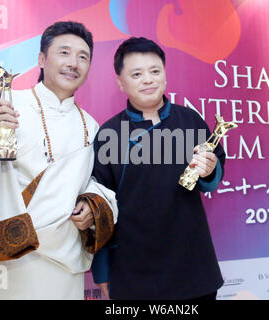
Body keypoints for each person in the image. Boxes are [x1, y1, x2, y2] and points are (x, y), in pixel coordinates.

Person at [0, 21, 117, 300]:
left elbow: (91, 183)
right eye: (64, 52)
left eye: (83, 56)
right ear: (42, 59)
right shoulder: (8, 105)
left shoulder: (91, 126)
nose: (73, 63)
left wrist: (90, 204)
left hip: (65, 264)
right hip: (9, 256)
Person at [90, 37, 225, 300]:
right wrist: (102, 271)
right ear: (120, 82)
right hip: (134, 273)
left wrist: (209, 171)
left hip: (194, 269)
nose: (148, 79)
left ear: (165, 74)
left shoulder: (190, 121)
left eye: (155, 71)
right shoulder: (109, 134)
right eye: (137, 74)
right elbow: (100, 208)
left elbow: (213, 173)